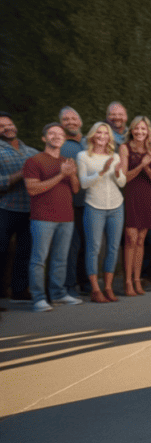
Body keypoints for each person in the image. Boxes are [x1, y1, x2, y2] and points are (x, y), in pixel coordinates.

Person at [23, 122, 84, 312]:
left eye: (60, 134)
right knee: (39, 259)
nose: (56, 136)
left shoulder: (67, 161)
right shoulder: (34, 161)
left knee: (61, 258)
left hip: (66, 217)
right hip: (43, 218)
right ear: (44, 138)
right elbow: (32, 189)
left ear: (64, 139)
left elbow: (75, 189)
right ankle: (39, 298)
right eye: (52, 133)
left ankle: (58, 294)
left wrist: (71, 174)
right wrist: (60, 175)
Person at [77, 122, 126, 303]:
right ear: (92, 135)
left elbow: (121, 183)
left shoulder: (114, 156)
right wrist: (102, 172)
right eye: (99, 132)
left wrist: (118, 172)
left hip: (116, 205)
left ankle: (108, 287)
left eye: (106, 133)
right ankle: (95, 289)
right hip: (94, 206)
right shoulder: (83, 156)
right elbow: (83, 183)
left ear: (109, 138)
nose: (102, 136)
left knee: (113, 248)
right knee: (94, 248)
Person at [0, 112, 40, 303]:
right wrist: (20, 174)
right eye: (1, 126)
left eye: (9, 124)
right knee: (2, 251)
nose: (7, 128)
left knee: (25, 251)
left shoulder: (32, 152)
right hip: (5, 208)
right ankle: (1, 293)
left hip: (30, 209)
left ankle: (20, 289)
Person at [120, 116, 151, 296]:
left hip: (146, 197)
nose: (139, 132)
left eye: (143, 129)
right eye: (136, 129)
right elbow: (124, 178)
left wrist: (146, 166)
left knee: (140, 240)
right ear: (131, 130)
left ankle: (138, 281)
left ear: (148, 132)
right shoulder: (125, 148)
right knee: (130, 238)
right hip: (131, 195)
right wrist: (141, 164)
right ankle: (127, 282)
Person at [59, 106, 89, 296]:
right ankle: (68, 285)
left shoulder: (89, 142)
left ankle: (86, 282)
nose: (71, 122)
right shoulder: (60, 144)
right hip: (68, 203)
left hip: (91, 202)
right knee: (70, 246)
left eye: (74, 118)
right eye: (66, 119)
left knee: (88, 245)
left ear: (80, 121)